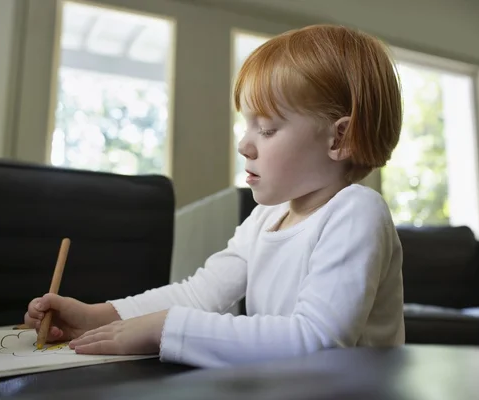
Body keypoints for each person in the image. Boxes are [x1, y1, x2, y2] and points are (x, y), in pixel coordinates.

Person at [24, 24, 405, 368]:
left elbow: (317, 341)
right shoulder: (265, 218)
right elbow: (200, 293)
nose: (244, 145)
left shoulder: (356, 211)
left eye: (268, 129)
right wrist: (96, 316)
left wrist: (166, 329)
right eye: (247, 125)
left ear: (339, 138)